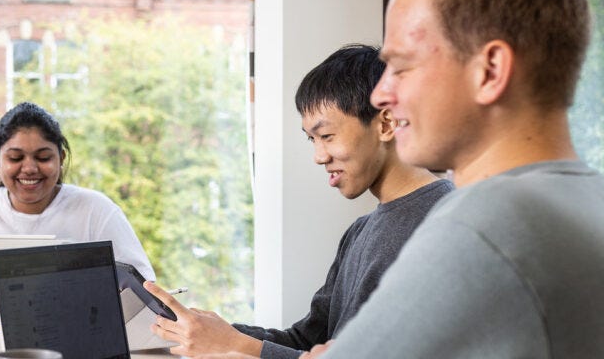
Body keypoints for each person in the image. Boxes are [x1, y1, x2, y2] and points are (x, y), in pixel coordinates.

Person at [302, 0, 604, 357]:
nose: (382, 93)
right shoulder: (587, 201)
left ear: (489, 72)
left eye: (402, 67)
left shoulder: (486, 224)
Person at [143, 45, 453, 357]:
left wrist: (236, 345)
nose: (319, 157)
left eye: (328, 136)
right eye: (312, 140)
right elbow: (306, 341)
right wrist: (220, 331)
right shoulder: (360, 231)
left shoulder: (444, 224)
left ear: (385, 124)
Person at [0, 102, 155, 311]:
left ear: (61, 159)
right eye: (15, 158)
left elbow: (147, 292)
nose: (30, 168)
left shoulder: (96, 209)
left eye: (43, 158)